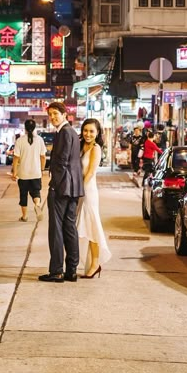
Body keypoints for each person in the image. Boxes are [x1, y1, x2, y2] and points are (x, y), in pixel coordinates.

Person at [39, 101, 84, 283]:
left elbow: (63, 161)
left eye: (55, 114)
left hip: (62, 187)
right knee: (69, 228)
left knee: (56, 229)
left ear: (65, 114)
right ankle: (71, 270)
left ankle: (57, 270)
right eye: (50, 115)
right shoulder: (71, 132)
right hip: (72, 188)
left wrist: (54, 185)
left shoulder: (64, 133)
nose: (52, 117)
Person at [76, 118, 111, 278]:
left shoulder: (95, 148)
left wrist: (79, 190)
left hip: (88, 192)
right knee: (86, 228)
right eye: (85, 130)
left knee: (92, 228)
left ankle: (96, 263)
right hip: (79, 191)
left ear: (97, 133)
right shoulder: (81, 146)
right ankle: (90, 263)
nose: (88, 134)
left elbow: (90, 172)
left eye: (91, 131)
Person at [11, 119, 46, 222]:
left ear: (24, 128)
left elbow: (16, 158)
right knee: (36, 192)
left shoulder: (20, 140)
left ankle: (24, 216)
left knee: (23, 194)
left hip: (23, 174)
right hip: (36, 172)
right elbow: (43, 157)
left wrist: (14, 173)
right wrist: (42, 169)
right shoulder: (39, 140)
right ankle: (37, 205)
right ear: (35, 127)